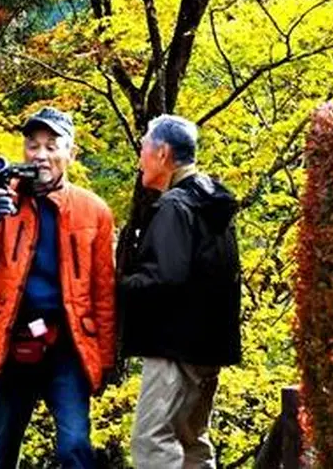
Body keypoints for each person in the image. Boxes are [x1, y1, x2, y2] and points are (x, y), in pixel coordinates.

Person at [0, 107, 117, 469]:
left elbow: (103, 292)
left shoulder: (94, 211)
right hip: (9, 340)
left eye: (51, 145)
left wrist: (104, 359)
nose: (40, 154)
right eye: (32, 145)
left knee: (75, 445)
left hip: (69, 344)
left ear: (70, 153)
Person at [121, 115, 242, 469]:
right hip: (209, 346)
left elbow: (165, 277)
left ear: (162, 152)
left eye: (143, 148)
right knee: (192, 442)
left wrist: (119, 287)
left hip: (174, 346)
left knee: (152, 439)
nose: (139, 158)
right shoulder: (212, 203)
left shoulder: (176, 206)